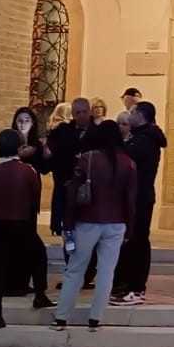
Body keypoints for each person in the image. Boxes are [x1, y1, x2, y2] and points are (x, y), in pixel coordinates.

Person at [54, 120, 137, 332]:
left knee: (75, 269)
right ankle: (95, 318)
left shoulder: (88, 159)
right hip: (117, 223)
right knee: (107, 272)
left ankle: (62, 317)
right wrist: (130, 228)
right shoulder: (129, 163)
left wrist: (68, 222)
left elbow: (72, 191)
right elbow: (130, 200)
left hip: (88, 221)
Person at [0, 129, 43, 331]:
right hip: (19, 223)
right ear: (19, 147)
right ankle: (40, 295)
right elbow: (35, 199)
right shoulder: (27, 171)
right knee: (38, 255)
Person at [112, 100, 167, 306]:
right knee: (133, 241)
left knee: (138, 242)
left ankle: (136, 289)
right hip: (136, 197)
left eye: (132, 112)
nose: (129, 115)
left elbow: (124, 159)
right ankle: (126, 285)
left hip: (140, 198)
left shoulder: (144, 141)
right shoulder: (142, 137)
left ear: (141, 116)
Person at [46, 98, 94, 237]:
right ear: (72, 114)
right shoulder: (63, 131)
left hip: (88, 180)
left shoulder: (97, 132)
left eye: (84, 112)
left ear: (89, 112)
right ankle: (59, 226)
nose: (81, 115)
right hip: (65, 176)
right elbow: (53, 151)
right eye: (78, 112)